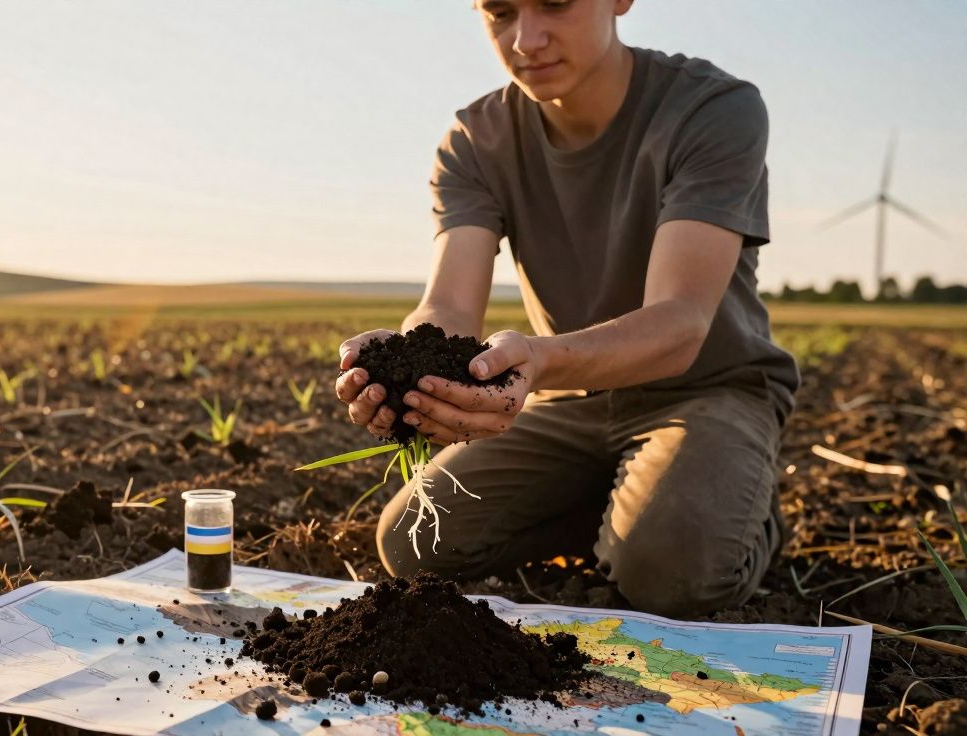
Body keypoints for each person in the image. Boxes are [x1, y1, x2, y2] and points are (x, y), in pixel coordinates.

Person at [334, 0, 799, 617]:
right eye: (499, 12)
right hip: (566, 404)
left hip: (706, 391)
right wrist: (404, 367)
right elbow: (448, 305)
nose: (526, 38)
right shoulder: (476, 140)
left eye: (555, 4)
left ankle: (733, 503)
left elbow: (680, 322)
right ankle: (622, 504)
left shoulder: (712, 110)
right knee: (416, 544)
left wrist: (541, 361)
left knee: (672, 575)